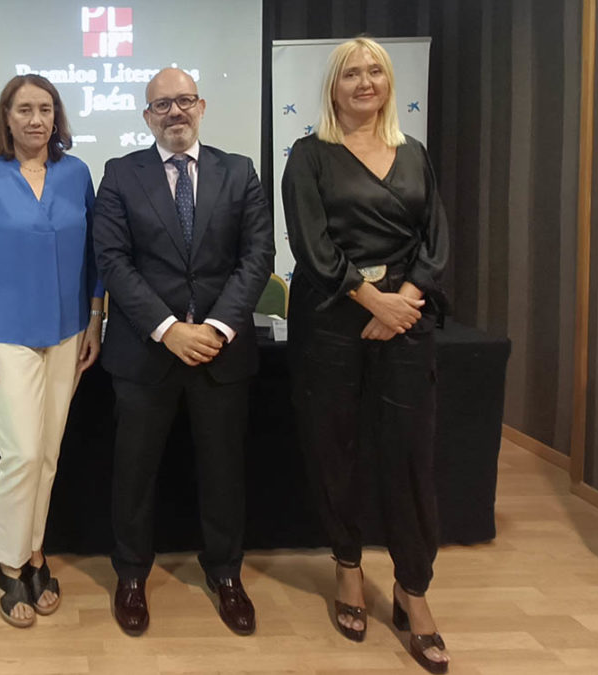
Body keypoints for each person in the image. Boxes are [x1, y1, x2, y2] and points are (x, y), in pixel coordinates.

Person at [282, 37, 450, 673]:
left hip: (408, 318)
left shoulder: (415, 154)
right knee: (336, 449)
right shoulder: (309, 154)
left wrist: (402, 300)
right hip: (331, 320)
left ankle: (414, 589)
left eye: (375, 70)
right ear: (333, 86)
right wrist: (370, 300)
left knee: (410, 453)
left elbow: (436, 239)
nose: (364, 81)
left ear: (388, 81)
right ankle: (348, 570)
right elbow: (312, 245)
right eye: (350, 72)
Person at [93, 67, 274, 636]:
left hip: (221, 354)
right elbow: (113, 261)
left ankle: (225, 574)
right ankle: (130, 576)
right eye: (161, 104)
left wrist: (218, 327)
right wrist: (169, 328)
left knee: (224, 471)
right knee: (134, 473)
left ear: (202, 106)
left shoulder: (239, 171)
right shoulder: (121, 174)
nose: (175, 112)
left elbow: (257, 255)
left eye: (184, 101)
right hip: (146, 353)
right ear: (147, 116)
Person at [0, 74, 103, 628]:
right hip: (5, 334)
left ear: (56, 117)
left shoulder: (76, 173)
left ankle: (35, 553)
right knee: (19, 454)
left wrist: (94, 319)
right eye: (24, 110)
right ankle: (8, 563)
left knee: (48, 453)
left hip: (66, 333)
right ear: (6, 117)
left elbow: (94, 257)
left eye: (45, 109)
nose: (35, 119)